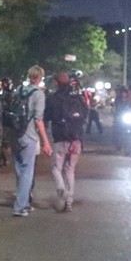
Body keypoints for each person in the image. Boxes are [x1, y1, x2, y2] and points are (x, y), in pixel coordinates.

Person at [44, 71, 87, 212]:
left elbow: (46, 117)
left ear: (57, 83)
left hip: (60, 138)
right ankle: (69, 201)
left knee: (56, 168)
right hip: (76, 139)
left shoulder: (53, 99)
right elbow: (85, 115)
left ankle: (62, 190)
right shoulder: (78, 98)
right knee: (70, 169)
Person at [12, 66, 51, 216]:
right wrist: (46, 142)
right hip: (29, 135)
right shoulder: (38, 94)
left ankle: (24, 202)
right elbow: (38, 120)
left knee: (19, 171)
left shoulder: (19, 90)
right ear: (40, 77)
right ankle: (20, 206)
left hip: (14, 134)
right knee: (27, 172)